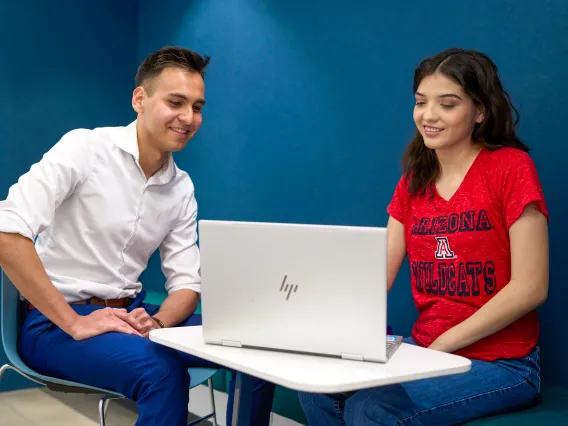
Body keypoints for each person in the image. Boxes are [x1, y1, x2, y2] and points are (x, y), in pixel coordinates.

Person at [0, 46, 275, 426]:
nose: (188, 117)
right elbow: (6, 233)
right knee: (161, 372)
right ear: (140, 99)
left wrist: (158, 324)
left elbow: (186, 286)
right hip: (54, 324)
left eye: (197, 107)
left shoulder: (181, 188)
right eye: (176, 102)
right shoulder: (85, 149)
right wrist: (75, 322)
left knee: (259, 346)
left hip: (131, 317)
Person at [298, 48, 549, 425]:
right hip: (427, 347)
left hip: (504, 363)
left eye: (447, 104)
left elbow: (531, 287)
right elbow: (375, 275)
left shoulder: (511, 168)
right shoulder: (413, 183)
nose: (428, 116)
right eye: (421, 102)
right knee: (318, 388)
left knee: (374, 409)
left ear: (479, 111)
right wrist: (317, 328)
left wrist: (441, 347)